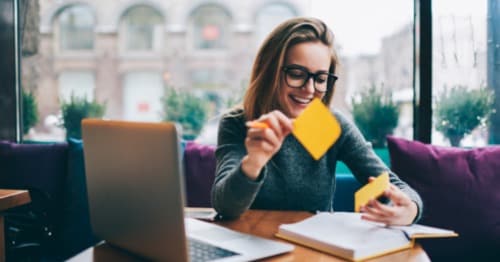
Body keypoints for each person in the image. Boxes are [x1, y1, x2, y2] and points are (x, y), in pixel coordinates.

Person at [211, 17, 422, 226]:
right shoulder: (239, 124)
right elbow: (225, 207)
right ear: (269, 72)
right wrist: (254, 161)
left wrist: (410, 209)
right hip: (251, 245)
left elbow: (392, 184)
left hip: (314, 250)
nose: (310, 89)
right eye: (296, 74)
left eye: (321, 79)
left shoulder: (327, 124)